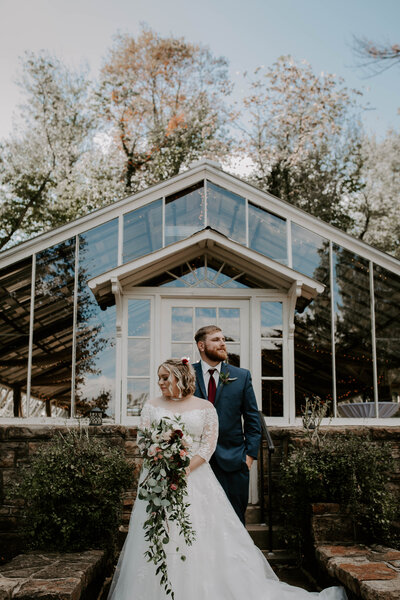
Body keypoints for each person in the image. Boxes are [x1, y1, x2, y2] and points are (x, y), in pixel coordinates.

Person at [108, 359, 347, 600]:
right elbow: (143, 441)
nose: (159, 383)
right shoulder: (151, 405)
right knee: (159, 534)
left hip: (195, 479)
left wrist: (183, 470)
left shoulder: (205, 408)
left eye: (164, 377)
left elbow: (207, 445)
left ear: (180, 377)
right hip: (158, 481)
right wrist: (160, 456)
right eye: (158, 377)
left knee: (198, 535)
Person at [192, 325, 261, 524]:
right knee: (199, 521)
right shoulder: (187, 373)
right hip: (196, 463)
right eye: (216, 339)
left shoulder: (241, 376)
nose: (222, 343)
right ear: (201, 345)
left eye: (223, 339)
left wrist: (248, 457)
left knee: (234, 522)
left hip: (233, 461)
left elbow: (252, 418)